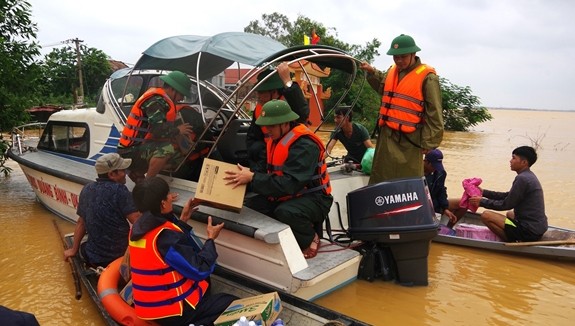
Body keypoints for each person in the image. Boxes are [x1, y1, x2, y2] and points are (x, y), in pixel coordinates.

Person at [226, 100, 333, 259]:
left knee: (286, 212)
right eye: (266, 126)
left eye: (272, 126)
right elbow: (265, 171)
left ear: (285, 123)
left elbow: (290, 184)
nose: (267, 130)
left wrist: (253, 178)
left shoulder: (305, 145)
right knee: (249, 207)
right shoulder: (274, 140)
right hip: (287, 193)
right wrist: (248, 174)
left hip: (315, 198)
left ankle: (310, 238)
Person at [129, 176, 238, 326]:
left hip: (148, 307)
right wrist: (211, 239)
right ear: (162, 203)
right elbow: (200, 269)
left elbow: (169, 249)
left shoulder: (137, 228)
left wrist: (183, 221)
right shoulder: (165, 237)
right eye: (168, 195)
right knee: (230, 302)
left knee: (206, 284)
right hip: (171, 312)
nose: (170, 197)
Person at [359, 34, 444, 184]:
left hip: (409, 140)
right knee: (381, 177)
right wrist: (372, 72)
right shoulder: (393, 71)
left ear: (414, 54)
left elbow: (434, 112)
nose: (398, 61)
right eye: (395, 57)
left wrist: (429, 142)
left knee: (407, 183)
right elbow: (383, 87)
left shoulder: (428, 77)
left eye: (403, 57)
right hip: (386, 136)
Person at [64, 153, 140, 267]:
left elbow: (81, 222)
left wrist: (74, 249)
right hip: (119, 255)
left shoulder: (87, 189)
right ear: (111, 174)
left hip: (93, 256)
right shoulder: (120, 190)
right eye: (122, 171)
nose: (125, 174)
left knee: (85, 246)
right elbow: (137, 221)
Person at [117, 70, 195, 182]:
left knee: (178, 157)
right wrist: (178, 130)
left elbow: (163, 126)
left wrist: (184, 141)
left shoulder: (163, 100)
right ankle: (147, 185)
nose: (181, 98)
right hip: (129, 151)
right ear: (173, 89)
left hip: (140, 147)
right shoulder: (155, 101)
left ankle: (138, 172)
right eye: (181, 94)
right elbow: (157, 130)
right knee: (166, 149)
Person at [467, 146, 548, 242]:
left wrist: (481, 202)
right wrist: (484, 192)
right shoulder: (528, 176)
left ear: (524, 162)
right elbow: (507, 196)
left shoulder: (522, 179)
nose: (510, 161)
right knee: (510, 214)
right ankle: (516, 235)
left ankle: (512, 240)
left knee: (486, 215)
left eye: (514, 158)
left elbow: (506, 204)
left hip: (528, 231)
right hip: (538, 228)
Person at [246, 62, 310, 173]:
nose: (258, 96)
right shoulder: (259, 110)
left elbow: (303, 112)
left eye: (262, 92)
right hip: (267, 157)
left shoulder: (289, 105)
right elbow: (252, 138)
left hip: (291, 157)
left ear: (274, 92)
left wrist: (287, 81)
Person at [423, 149, 458, 223]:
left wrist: (445, 208)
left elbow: (441, 190)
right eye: (433, 166)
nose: (435, 169)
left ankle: (448, 229)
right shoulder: (416, 174)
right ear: (426, 161)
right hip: (422, 206)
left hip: (435, 205)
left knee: (462, 203)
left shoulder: (440, 173)